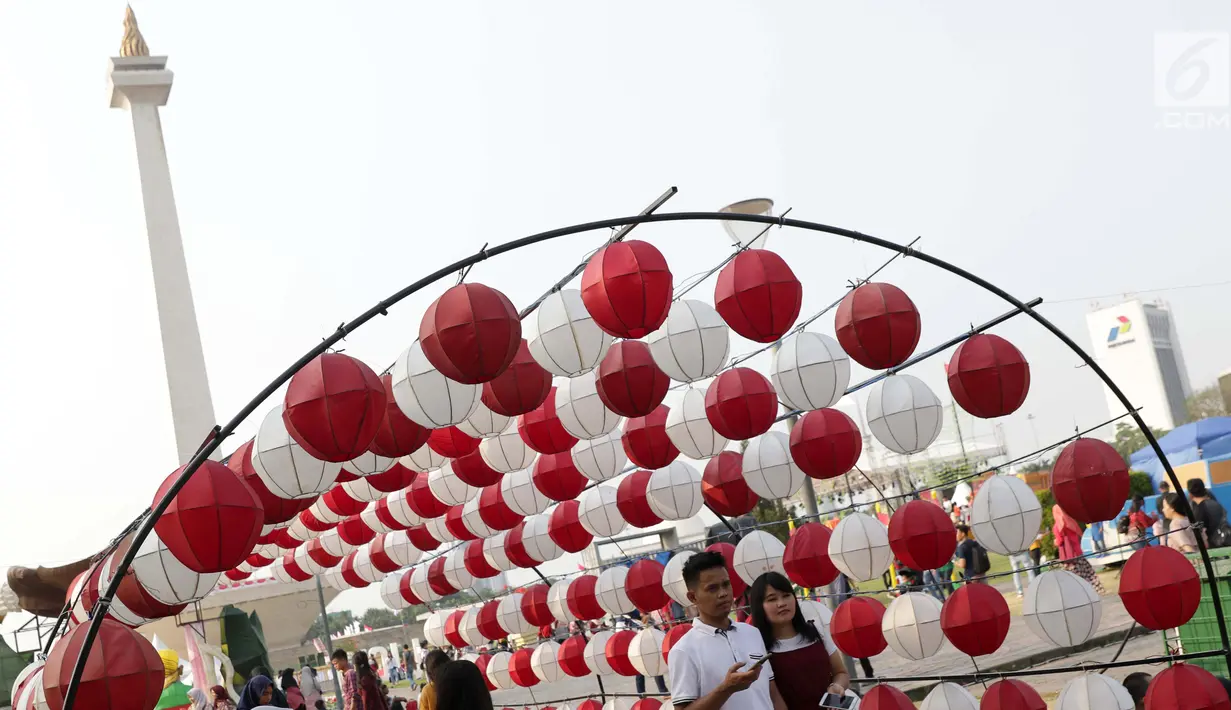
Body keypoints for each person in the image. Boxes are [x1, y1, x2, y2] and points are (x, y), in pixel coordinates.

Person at [665, 550, 787, 710]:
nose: (723, 593)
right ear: (693, 597)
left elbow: (772, 694)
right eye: (712, 588)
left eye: (726, 584)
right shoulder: (684, 650)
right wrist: (726, 688)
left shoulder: (751, 633)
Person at [748, 572, 850, 709]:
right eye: (772, 599)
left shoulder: (816, 632)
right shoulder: (758, 649)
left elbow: (841, 673)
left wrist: (836, 687)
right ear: (759, 606)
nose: (782, 603)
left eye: (786, 596)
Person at [1053, 505, 1106, 594]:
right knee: (1088, 573)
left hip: (1068, 557)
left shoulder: (1057, 526)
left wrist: (1055, 542)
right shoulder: (1070, 522)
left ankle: (1081, 594)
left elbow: (1059, 541)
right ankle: (1097, 590)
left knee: (1074, 578)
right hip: (1078, 553)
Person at [1189, 479, 1230, 547]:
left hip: (1215, 548)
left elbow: (1198, 534)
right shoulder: (1215, 504)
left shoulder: (1199, 510)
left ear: (1190, 495)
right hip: (1226, 540)